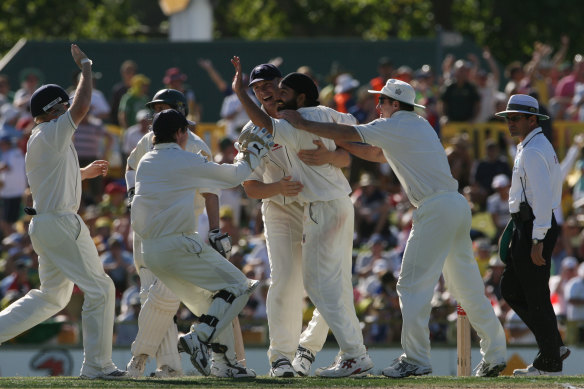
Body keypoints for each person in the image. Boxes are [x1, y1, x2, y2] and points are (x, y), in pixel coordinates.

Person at [279, 78, 508, 378]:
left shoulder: (396, 125)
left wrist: (301, 122)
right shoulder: (418, 125)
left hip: (436, 208)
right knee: (467, 288)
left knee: (411, 285)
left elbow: (351, 132)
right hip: (455, 205)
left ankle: (416, 358)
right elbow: (374, 153)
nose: (378, 106)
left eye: (382, 101)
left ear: (395, 104)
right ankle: (495, 354)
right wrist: (336, 145)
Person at [232, 57, 373, 378]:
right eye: (257, 89)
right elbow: (250, 187)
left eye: (270, 86)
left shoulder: (301, 118)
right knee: (287, 281)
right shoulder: (253, 129)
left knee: (331, 282)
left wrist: (332, 155)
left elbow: (343, 153)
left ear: (283, 88)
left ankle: (309, 350)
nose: (265, 93)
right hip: (281, 209)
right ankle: (281, 357)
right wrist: (276, 187)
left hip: (316, 204)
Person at [0, 44, 127, 379]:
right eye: (64, 107)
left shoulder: (45, 136)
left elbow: (56, 175)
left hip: (45, 223)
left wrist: (83, 172)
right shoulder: (50, 131)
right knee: (101, 289)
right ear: (54, 109)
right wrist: (86, 67)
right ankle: (97, 366)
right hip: (59, 222)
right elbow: (83, 105)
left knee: (51, 297)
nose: (70, 110)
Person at [130, 109, 272, 377]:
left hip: (152, 252)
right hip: (178, 245)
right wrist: (252, 151)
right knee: (239, 286)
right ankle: (199, 337)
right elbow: (235, 176)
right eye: (186, 131)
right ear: (180, 133)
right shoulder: (184, 160)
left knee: (214, 304)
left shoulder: (146, 161)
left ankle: (225, 363)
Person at [495, 94, 567, 376]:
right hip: (529, 225)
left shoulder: (534, 149)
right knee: (512, 288)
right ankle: (553, 347)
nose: (509, 123)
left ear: (532, 119)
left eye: (515, 118)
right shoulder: (532, 145)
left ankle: (550, 359)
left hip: (536, 226)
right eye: (508, 118)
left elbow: (542, 197)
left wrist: (537, 239)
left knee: (533, 293)